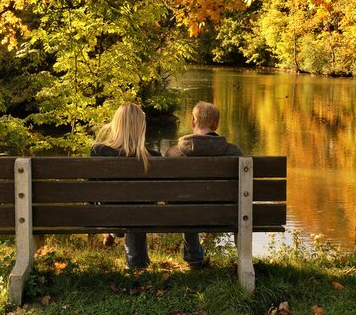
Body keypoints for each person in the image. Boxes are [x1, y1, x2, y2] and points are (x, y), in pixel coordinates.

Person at [166, 101, 242, 269]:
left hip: (181, 215)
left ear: (193, 121)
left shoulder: (173, 154)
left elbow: (167, 195)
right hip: (226, 215)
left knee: (186, 204)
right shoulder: (234, 153)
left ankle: (194, 258)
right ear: (216, 124)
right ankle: (244, 262)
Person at [90, 102, 160, 269]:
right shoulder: (154, 157)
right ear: (141, 127)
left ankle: (113, 231)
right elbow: (157, 194)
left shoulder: (98, 151)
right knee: (139, 208)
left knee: (124, 206)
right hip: (142, 216)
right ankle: (137, 264)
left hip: (109, 212)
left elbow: (92, 190)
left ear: (117, 124)